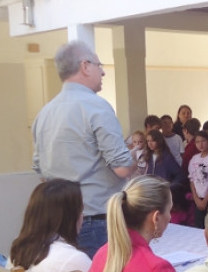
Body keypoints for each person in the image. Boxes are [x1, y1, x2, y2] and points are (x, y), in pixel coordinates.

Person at [31, 41, 136, 258]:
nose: (104, 72)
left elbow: (41, 173)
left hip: (58, 219)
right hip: (96, 218)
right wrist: (135, 153)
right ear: (85, 66)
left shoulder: (44, 113)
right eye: (100, 65)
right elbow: (123, 168)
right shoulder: (96, 106)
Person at [86, 176, 176, 272]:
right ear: (156, 217)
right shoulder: (157, 270)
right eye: (169, 210)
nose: (170, 217)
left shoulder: (102, 254)